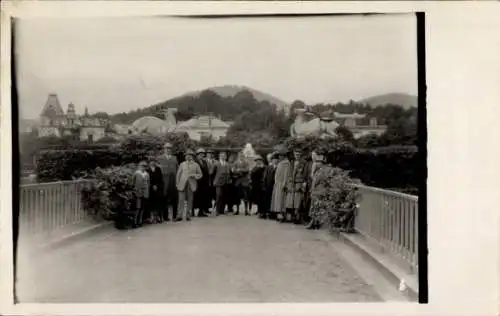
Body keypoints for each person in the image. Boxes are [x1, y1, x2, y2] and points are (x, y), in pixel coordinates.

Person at [176, 149, 202, 221]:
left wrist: (194, 175)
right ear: (185, 156)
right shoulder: (182, 164)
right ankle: (179, 215)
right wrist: (177, 184)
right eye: (187, 155)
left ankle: (188, 215)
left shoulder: (196, 165)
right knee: (181, 200)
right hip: (182, 184)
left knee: (190, 200)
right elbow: (178, 174)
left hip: (191, 184)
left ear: (192, 156)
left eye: (190, 155)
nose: (188, 157)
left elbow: (200, 174)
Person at [284, 149, 307, 224]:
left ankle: (297, 216)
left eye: (299, 154)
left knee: (298, 200)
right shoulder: (292, 162)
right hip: (291, 183)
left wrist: (303, 182)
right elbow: (289, 173)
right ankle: (291, 216)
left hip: (299, 182)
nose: (297, 156)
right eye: (296, 154)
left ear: (301, 155)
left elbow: (305, 173)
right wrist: (288, 182)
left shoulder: (304, 163)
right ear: (294, 155)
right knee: (291, 200)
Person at [157, 142, 179, 221]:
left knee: (174, 198)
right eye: (167, 148)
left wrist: (178, 181)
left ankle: (174, 216)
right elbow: (157, 171)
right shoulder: (159, 158)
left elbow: (178, 170)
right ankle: (165, 217)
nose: (168, 150)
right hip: (164, 181)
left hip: (173, 181)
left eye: (169, 148)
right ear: (164, 149)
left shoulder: (174, 158)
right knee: (164, 199)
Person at [307, 151, 327, 229]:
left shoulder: (319, 172)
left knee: (315, 207)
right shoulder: (321, 171)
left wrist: (312, 172)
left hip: (317, 191)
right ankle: (315, 223)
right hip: (319, 191)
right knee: (316, 207)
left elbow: (315, 182)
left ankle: (313, 223)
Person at [271, 148, 291, 222]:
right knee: (278, 199)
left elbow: (286, 174)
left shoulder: (286, 163)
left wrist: (284, 183)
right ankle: (279, 214)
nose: (279, 157)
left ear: (284, 156)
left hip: (282, 183)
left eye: (281, 155)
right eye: (279, 155)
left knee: (281, 199)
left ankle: (282, 214)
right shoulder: (280, 163)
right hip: (278, 183)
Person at [131, 161, 150, 228]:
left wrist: (147, 191)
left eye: (144, 166)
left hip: (145, 193)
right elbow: (132, 182)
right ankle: (135, 222)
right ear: (139, 166)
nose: (143, 168)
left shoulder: (147, 174)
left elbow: (148, 183)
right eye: (142, 166)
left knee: (142, 208)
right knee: (138, 208)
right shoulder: (136, 173)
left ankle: (140, 221)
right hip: (138, 193)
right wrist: (134, 189)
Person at [213, 150, 232, 215]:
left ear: (226, 157)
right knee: (218, 196)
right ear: (219, 156)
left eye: (224, 156)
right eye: (222, 156)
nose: (223, 157)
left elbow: (229, 173)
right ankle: (217, 210)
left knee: (224, 196)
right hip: (218, 182)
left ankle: (222, 210)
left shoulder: (227, 164)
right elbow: (213, 173)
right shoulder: (216, 164)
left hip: (226, 182)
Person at [193, 148, 211, 217]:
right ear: (197, 155)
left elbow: (206, 171)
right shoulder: (195, 162)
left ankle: (201, 211)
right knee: (197, 196)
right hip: (197, 181)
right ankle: (193, 212)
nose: (201, 155)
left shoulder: (204, 162)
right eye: (200, 154)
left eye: (203, 154)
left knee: (204, 196)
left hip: (204, 182)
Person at [262, 152, 279, 219]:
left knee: (275, 200)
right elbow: (265, 177)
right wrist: (264, 186)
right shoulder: (268, 167)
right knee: (268, 200)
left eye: (276, 159)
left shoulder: (278, 167)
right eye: (273, 159)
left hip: (275, 186)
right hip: (268, 186)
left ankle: (274, 214)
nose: (275, 161)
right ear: (272, 160)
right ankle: (267, 213)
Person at [148, 158, 164, 223]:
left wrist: (157, 186)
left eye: (153, 161)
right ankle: (151, 217)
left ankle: (158, 217)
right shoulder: (147, 170)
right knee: (151, 203)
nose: (152, 163)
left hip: (158, 188)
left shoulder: (158, 169)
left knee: (158, 202)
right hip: (150, 189)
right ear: (149, 163)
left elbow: (160, 179)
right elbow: (147, 180)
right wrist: (152, 186)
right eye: (151, 161)